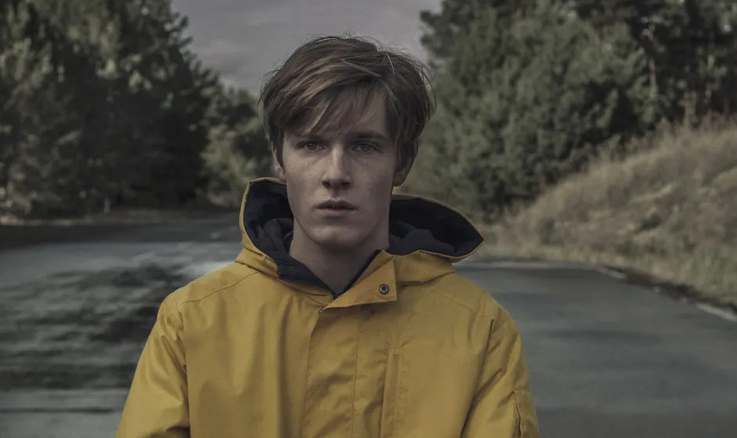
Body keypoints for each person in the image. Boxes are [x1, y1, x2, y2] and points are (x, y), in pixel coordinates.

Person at [116, 35, 540, 438]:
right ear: (279, 157)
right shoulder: (191, 323)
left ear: (403, 161)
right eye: (312, 145)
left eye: (364, 146)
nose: (335, 174)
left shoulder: (479, 330)